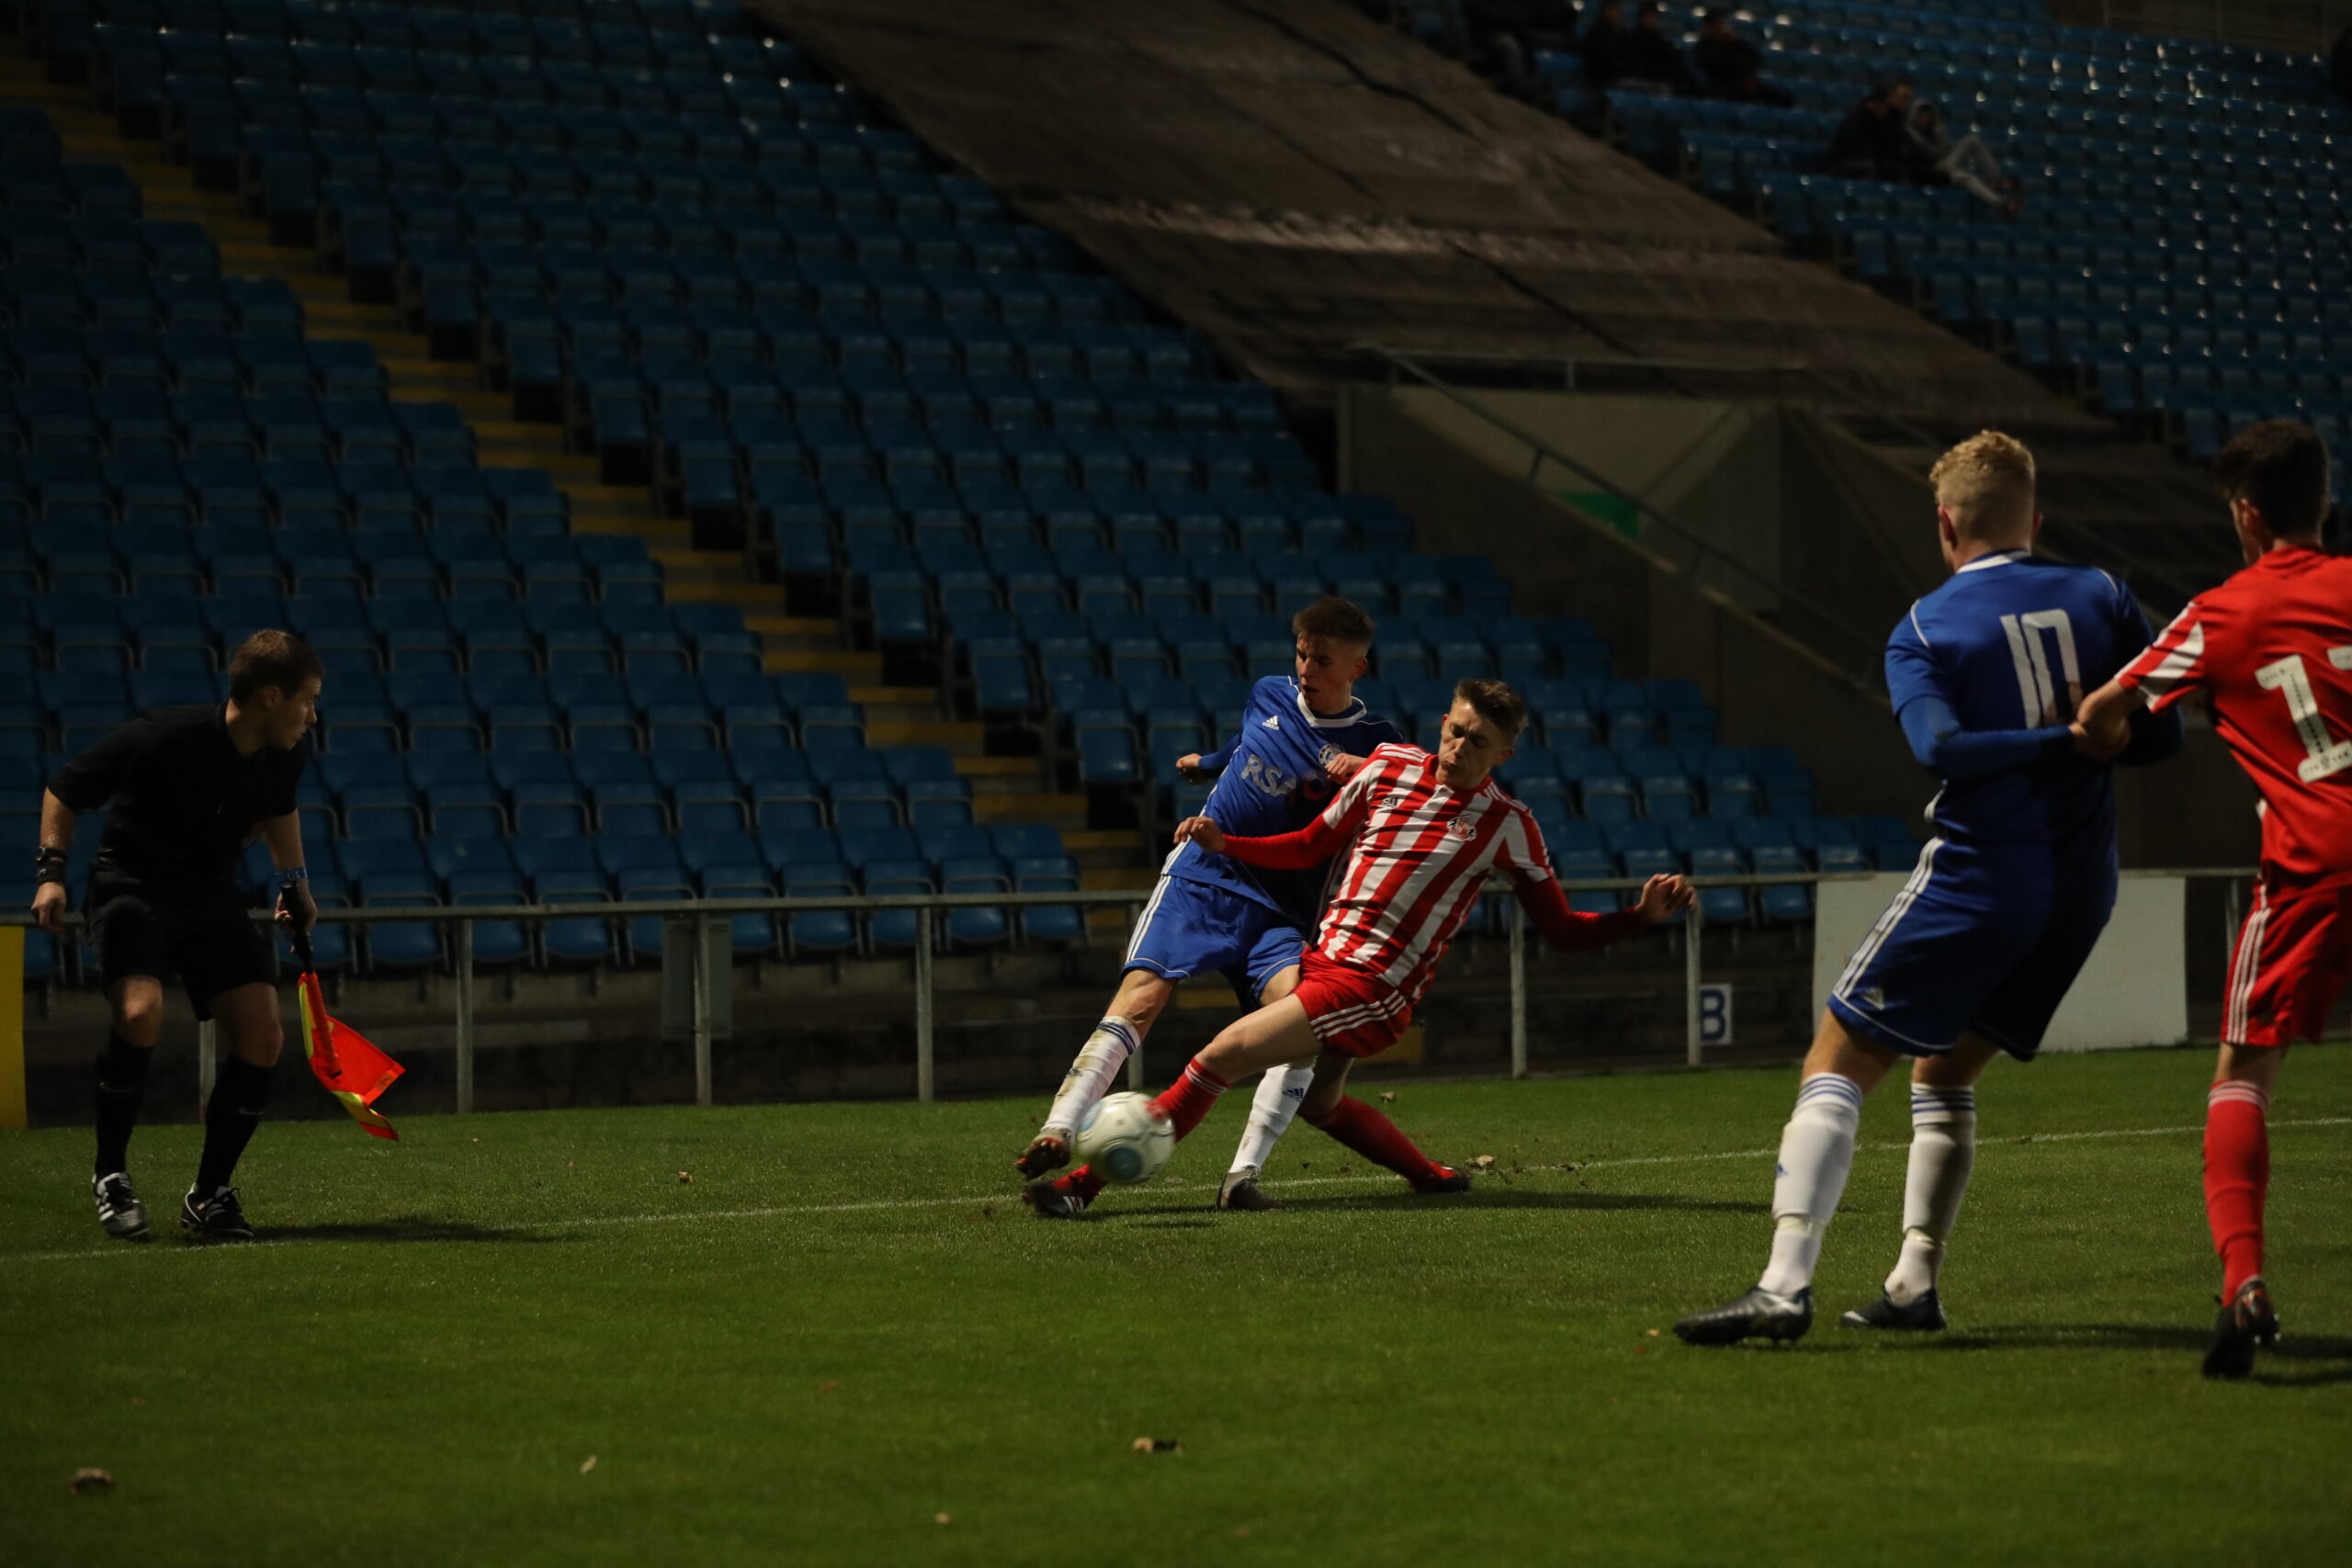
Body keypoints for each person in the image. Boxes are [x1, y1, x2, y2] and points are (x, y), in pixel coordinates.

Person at [1673, 433, 2181, 1346]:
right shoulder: (2104, 594)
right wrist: (2086, 737)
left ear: (1945, 524)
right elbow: (2163, 740)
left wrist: (2054, 741)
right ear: (2036, 519)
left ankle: (1783, 1284)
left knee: (1835, 1059)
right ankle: (1913, 1282)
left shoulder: (1926, 624)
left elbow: (1938, 749)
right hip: (2080, 890)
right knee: (1944, 1069)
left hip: (1981, 879)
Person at [1026, 680, 1694, 1218]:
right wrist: (1229, 845)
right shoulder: (1391, 768)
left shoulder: (1507, 825)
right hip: (1325, 961)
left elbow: (1562, 929)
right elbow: (1309, 845)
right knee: (1321, 1103)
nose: (1460, 747)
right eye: (1456, 730)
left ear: (1504, 755)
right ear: (1443, 722)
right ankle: (1429, 1177)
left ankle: (1082, 1186)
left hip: (1373, 988)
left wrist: (1637, 916)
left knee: (1218, 1056)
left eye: (1479, 742)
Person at [2074, 421, 2352, 1380]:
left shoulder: (2220, 612)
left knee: (2244, 1073)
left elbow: (2102, 713)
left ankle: (2244, 1282)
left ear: (2245, 515)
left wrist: (2105, 733)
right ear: (2322, 502)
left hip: (2312, 865)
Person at [1014, 599, 1406, 1213]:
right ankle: (1059, 1128)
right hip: (1205, 877)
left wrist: (1372, 772)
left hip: (1283, 908)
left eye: (1322, 660)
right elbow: (1248, 738)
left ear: (1357, 666)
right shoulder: (1268, 692)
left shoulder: (1379, 744)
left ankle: (1240, 1178)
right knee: (1141, 997)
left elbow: (1423, 791)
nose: (1306, 668)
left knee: (1301, 1028)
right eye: (1301, 653)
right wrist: (1209, 764)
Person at [30, 630, 323, 1243]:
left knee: (264, 1034)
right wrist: (51, 874)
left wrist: (295, 883)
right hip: (131, 886)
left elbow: (280, 807)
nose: (312, 715)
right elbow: (65, 787)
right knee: (140, 1013)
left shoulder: (286, 752)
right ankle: (111, 1174)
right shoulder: (164, 735)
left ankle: (209, 1194)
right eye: (308, 700)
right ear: (271, 697)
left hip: (209, 893)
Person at [1905, 101, 2019, 214]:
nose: (1925, 118)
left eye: (1927, 115)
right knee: (1966, 175)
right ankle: (2001, 202)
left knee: (1972, 143)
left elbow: (1946, 148)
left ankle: (1997, 182)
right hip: (1930, 172)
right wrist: (1940, 146)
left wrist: (1941, 129)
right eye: (1922, 115)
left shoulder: (1931, 131)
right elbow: (1930, 152)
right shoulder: (1912, 133)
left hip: (1942, 167)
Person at [1692, 8, 1792, 106]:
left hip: (1745, 82)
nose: (1722, 27)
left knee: (1782, 97)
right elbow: (1720, 65)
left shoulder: (1734, 43)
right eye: (1719, 23)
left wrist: (1738, 42)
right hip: (1723, 86)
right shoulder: (1704, 46)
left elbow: (1755, 58)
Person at [1827, 80, 1914, 180]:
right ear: (1875, 104)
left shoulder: (1884, 118)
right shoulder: (1857, 117)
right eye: (1885, 105)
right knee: (1871, 167)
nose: (1887, 109)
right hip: (1843, 161)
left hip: (1867, 159)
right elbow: (1854, 148)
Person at [1620, 2, 1696, 94]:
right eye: (1648, 16)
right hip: (1647, 82)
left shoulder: (1661, 41)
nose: (1650, 20)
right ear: (1641, 18)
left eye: (1653, 16)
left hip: (1662, 80)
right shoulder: (1633, 39)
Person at [1578, 0, 1630, 91]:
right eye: (1613, 10)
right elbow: (1601, 58)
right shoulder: (1597, 31)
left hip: (1615, 76)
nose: (1617, 14)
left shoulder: (1620, 32)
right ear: (1605, 11)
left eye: (1618, 11)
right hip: (1602, 78)